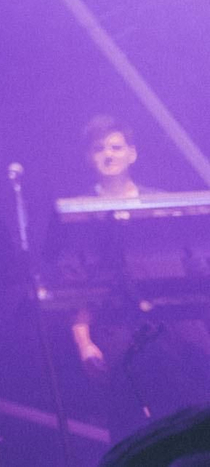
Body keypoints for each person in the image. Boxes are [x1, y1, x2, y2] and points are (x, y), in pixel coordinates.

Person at [67, 116, 210, 441]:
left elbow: (194, 268)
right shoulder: (80, 214)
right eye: (99, 148)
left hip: (179, 329)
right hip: (119, 336)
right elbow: (77, 289)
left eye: (116, 147)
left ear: (132, 153)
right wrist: (84, 342)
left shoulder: (162, 204)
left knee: (197, 419)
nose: (109, 154)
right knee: (135, 433)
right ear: (89, 157)